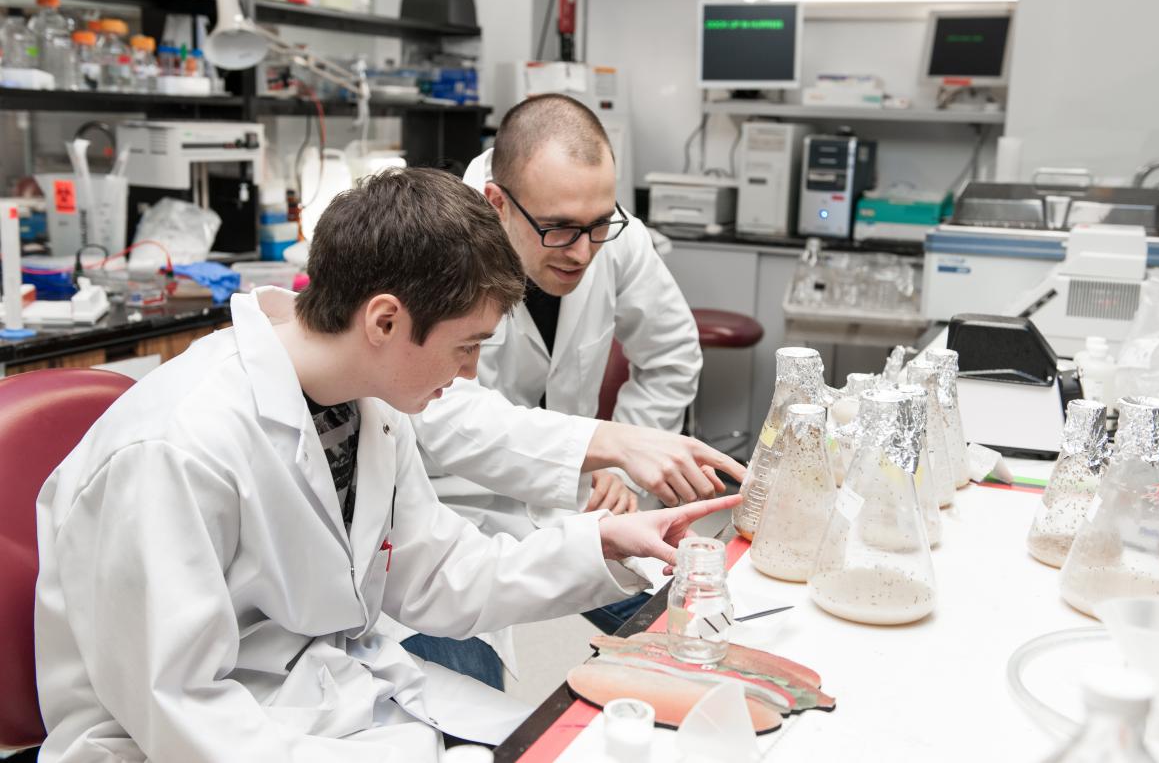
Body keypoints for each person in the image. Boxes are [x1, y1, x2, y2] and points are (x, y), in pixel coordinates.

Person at [34, 168, 742, 762]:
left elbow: (435, 573)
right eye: (467, 348)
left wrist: (598, 544)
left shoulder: (364, 406)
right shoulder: (176, 450)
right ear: (383, 321)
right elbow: (183, 712)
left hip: (327, 697)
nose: (468, 376)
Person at [410, 96, 703, 681]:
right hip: (452, 511)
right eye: (561, 230)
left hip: (569, 500)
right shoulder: (428, 244)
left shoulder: (607, 234)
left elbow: (670, 353)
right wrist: (605, 443)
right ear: (498, 203)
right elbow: (440, 412)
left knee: (689, 624)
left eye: (599, 225)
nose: (584, 251)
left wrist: (616, 469)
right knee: (461, 699)